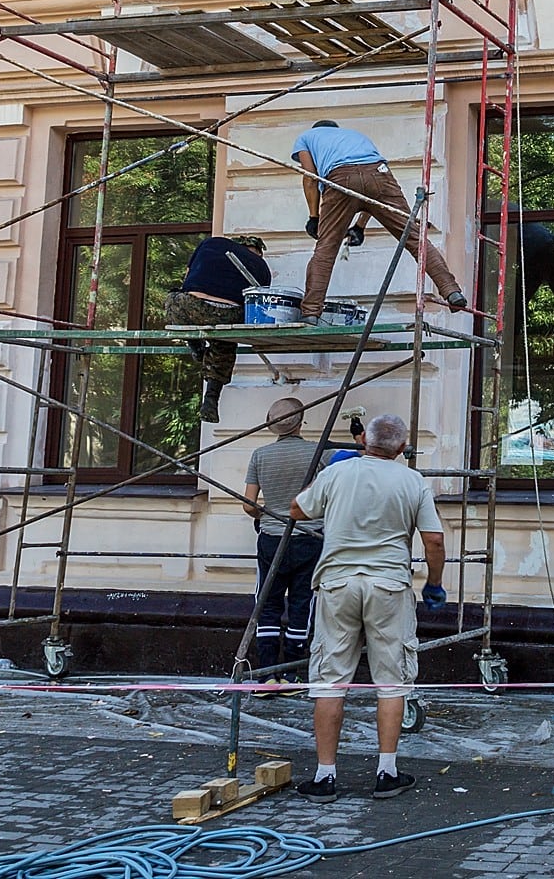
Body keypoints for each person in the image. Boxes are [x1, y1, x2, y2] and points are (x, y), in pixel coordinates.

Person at [290, 413, 446, 799]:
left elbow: (298, 510)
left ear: (364, 442)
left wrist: (327, 480)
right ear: (402, 448)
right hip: (389, 587)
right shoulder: (412, 481)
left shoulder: (338, 473)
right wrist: (434, 584)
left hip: (338, 584)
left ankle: (325, 777)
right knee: (392, 681)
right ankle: (386, 772)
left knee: (330, 680)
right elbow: (434, 541)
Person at [292, 120, 469, 321]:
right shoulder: (356, 137)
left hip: (339, 178)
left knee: (326, 249)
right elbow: (369, 194)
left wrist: (314, 217)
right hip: (379, 175)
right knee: (414, 238)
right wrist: (359, 227)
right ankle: (452, 291)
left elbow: (310, 177)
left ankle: (311, 313)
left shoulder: (306, 138)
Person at [243, 397, 325, 674]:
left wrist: (267, 515)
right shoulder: (319, 454)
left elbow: (248, 504)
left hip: (271, 539)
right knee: (302, 603)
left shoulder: (260, 455)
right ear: (301, 422)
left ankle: (266, 672)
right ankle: (292, 671)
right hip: (309, 537)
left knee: (268, 603)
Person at [166, 233, 270, 423]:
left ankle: (195, 344)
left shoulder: (212, 243)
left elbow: (187, 276)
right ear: (258, 252)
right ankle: (211, 397)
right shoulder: (263, 267)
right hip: (231, 314)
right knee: (225, 340)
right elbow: (258, 303)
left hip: (193, 305)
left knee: (173, 300)